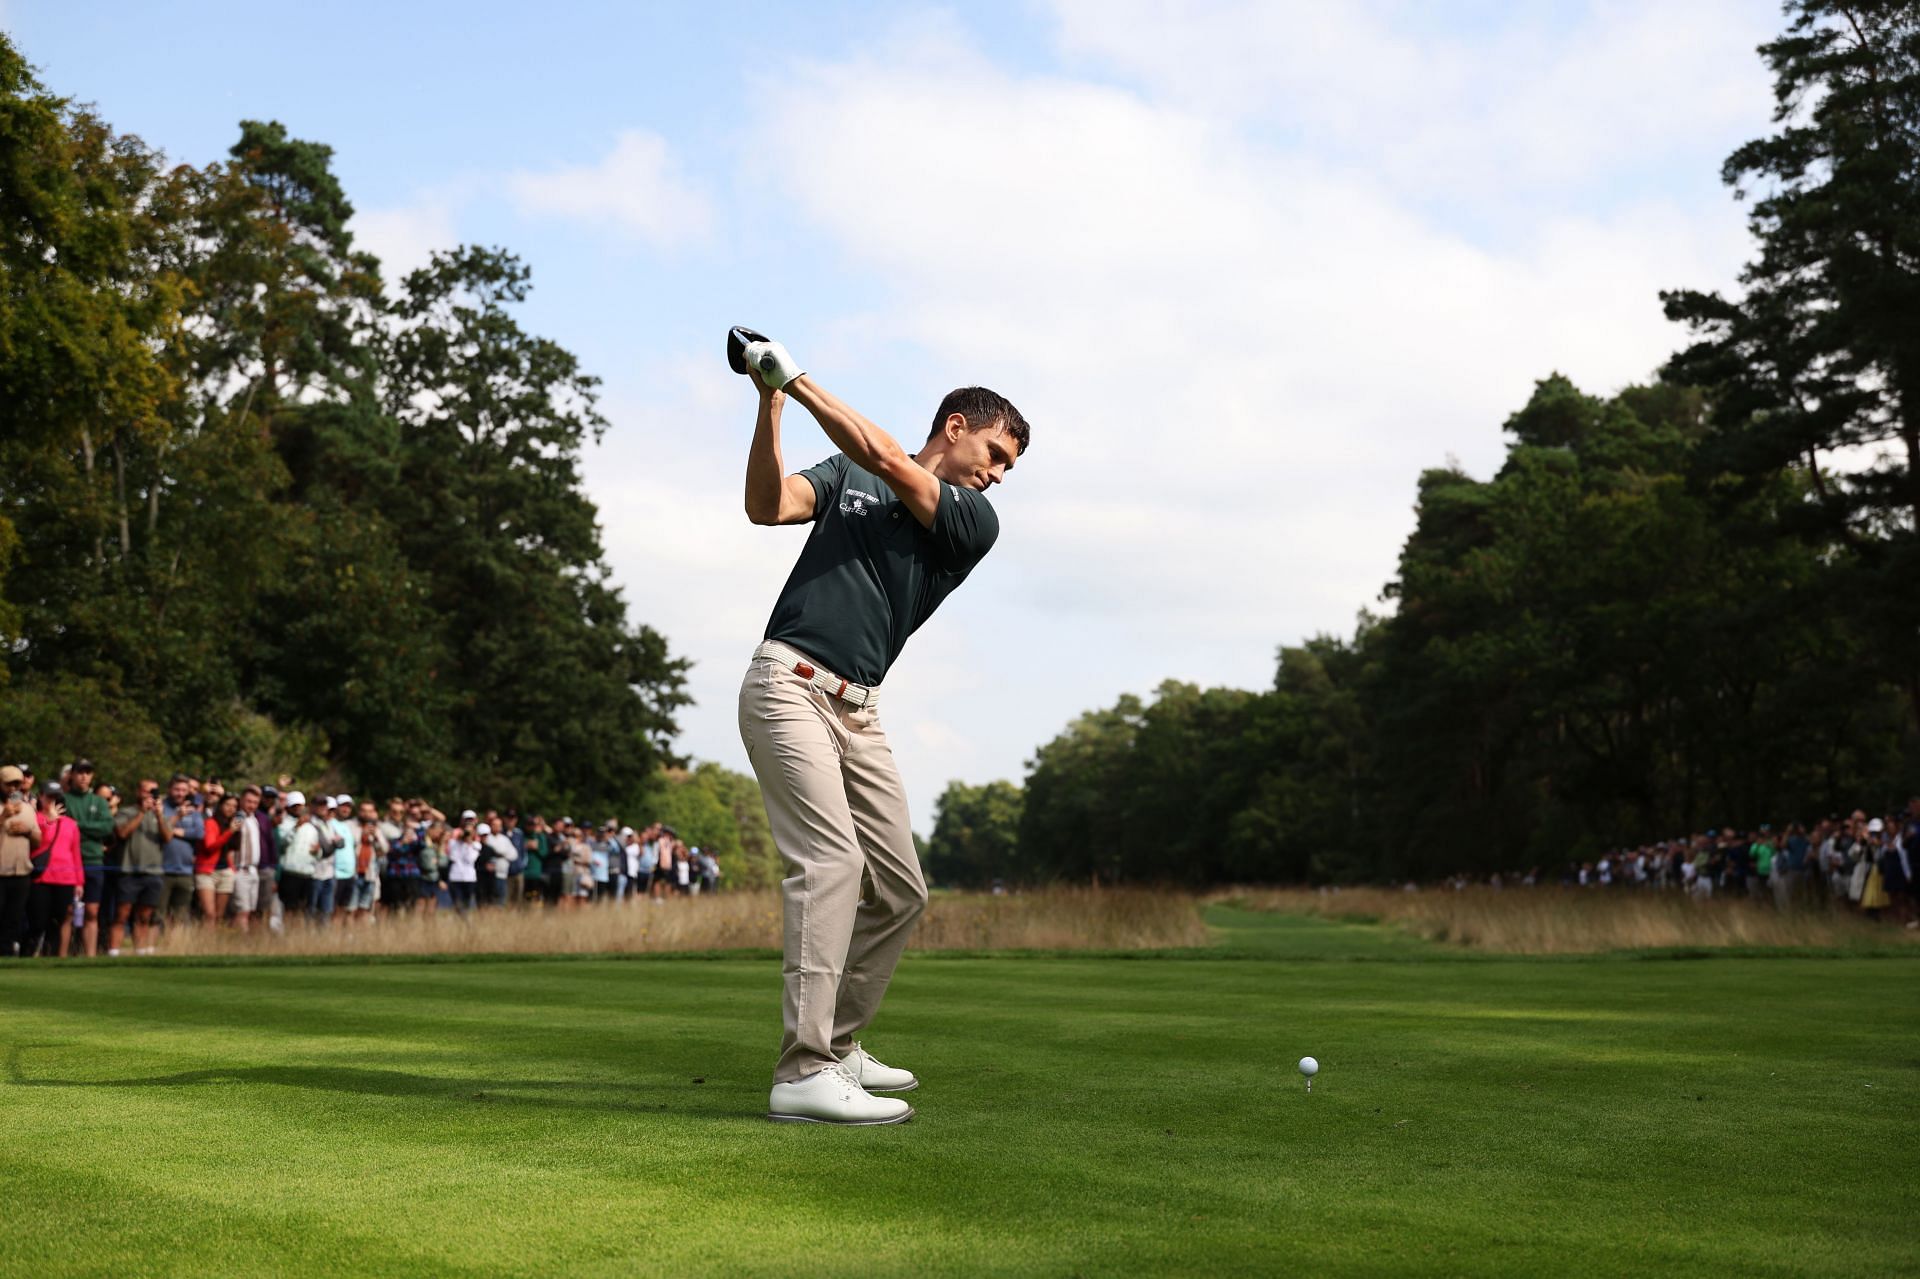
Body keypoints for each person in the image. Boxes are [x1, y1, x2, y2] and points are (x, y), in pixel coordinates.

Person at [734, 330, 1027, 1124]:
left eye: (1008, 469)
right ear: (957, 425)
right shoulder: (849, 472)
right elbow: (769, 505)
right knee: (832, 863)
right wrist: (769, 403)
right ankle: (803, 1071)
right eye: (996, 453)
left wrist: (792, 377)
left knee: (899, 886)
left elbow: (895, 460)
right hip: (788, 686)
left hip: (859, 712)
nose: (998, 475)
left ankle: (838, 1041)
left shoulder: (969, 519)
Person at [111, 780, 170, 955]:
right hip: (129, 871)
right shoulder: (126, 812)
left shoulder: (160, 814)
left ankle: (141, 953)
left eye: (153, 792)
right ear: (139, 792)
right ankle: (113, 953)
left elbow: (168, 837)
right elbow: (122, 833)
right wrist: (142, 812)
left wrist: (159, 816)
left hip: (153, 872)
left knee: (144, 917)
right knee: (121, 915)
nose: (150, 796)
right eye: (147, 791)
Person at [24, 782, 83, 956]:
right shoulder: (34, 819)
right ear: (41, 797)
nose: (52, 801)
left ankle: (50, 958)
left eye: (56, 797)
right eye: (49, 796)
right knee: (38, 922)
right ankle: (27, 957)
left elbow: (76, 854)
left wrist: (79, 882)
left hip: (65, 879)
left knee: (58, 922)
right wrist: (49, 820)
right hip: (41, 878)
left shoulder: (71, 824)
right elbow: (39, 843)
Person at [61, 760, 114, 955]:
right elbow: (62, 827)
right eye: (80, 772)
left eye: (88, 772)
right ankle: (62, 957)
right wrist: (88, 827)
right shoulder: (64, 799)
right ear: (72, 775)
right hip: (68, 862)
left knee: (92, 912)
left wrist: (78, 825)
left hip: (93, 861)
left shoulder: (99, 801)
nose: (84, 776)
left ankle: (90, 957)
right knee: (67, 913)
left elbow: (107, 828)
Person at [0, 764, 38, 956]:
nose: (14, 788)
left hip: (21, 872)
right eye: (9, 784)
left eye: (17, 784)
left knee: (13, 919)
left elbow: (38, 840)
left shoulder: (27, 809)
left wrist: (28, 831)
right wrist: (3, 817)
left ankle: (6, 957)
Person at [158, 774, 203, 926]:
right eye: (177, 789)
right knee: (158, 915)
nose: (180, 793)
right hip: (162, 869)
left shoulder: (192, 809)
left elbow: (199, 833)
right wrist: (177, 817)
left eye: (184, 790)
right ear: (169, 789)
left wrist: (175, 832)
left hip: (185, 871)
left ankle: (177, 947)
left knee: (181, 916)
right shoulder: (161, 807)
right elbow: (160, 831)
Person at [275, 792, 322, 922]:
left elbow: (317, 855)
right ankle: (287, 936)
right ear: (288, 807)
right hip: (290, 873)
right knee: (289, 908)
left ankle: (297, 937)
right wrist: (296, 827)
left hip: (307, 874)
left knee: (303, 909)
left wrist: (318, 851)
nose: (298, 808)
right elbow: (282, 844)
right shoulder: (283, 824)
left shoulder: (311, 828)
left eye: (300, 806)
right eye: (294, 806)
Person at [195, 794, 240, 926]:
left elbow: (232, 849)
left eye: (234, 806)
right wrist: (229, 832)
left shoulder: (231, 825)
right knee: (209, 914)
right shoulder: (210, 823)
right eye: (227, 805)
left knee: (219, 916)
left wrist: (233, 831)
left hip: (226, 872)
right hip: (207, 872)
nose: (231, 809)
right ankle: (205, 944)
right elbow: (210, 847)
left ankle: (214, 943)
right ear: (220, 806)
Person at [446, 823, 482, 913]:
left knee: (466, 903)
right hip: (455, 876)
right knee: (457, 902)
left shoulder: (476, 845)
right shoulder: (453, 843)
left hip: (469, 877)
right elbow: (452, 857)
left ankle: (464, 922)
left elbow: (470, 859)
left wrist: (468, 843)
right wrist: (459, 840)